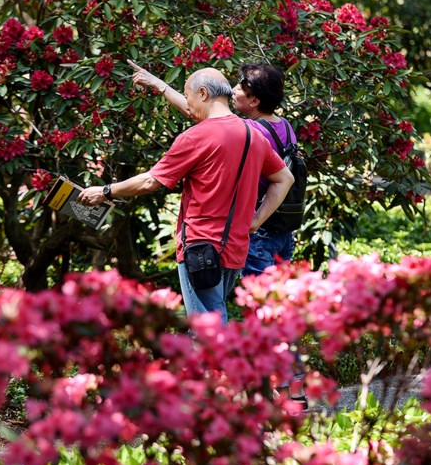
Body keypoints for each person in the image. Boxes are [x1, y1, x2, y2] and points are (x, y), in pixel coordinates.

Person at [77, 67, 294, 323]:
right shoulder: (253, 135)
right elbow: (285, 178)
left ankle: (220, 365)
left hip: (201, 247)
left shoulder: (196, 136)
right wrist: (255, 220)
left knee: (207, 330)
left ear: (202, 93)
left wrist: (105, 191)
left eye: (188, 96)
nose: (189, 105)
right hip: (235, 245)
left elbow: (150, 181)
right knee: (217, 318)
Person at [129, 60, 297, 277]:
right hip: (283, 231)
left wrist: (159, 84)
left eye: (240, 88)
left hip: (258, 230)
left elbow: (198, 113)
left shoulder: (248, 131)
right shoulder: (285, 126)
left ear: (254, 100)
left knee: (259, 303)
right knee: (279, 301)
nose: (233, 91)